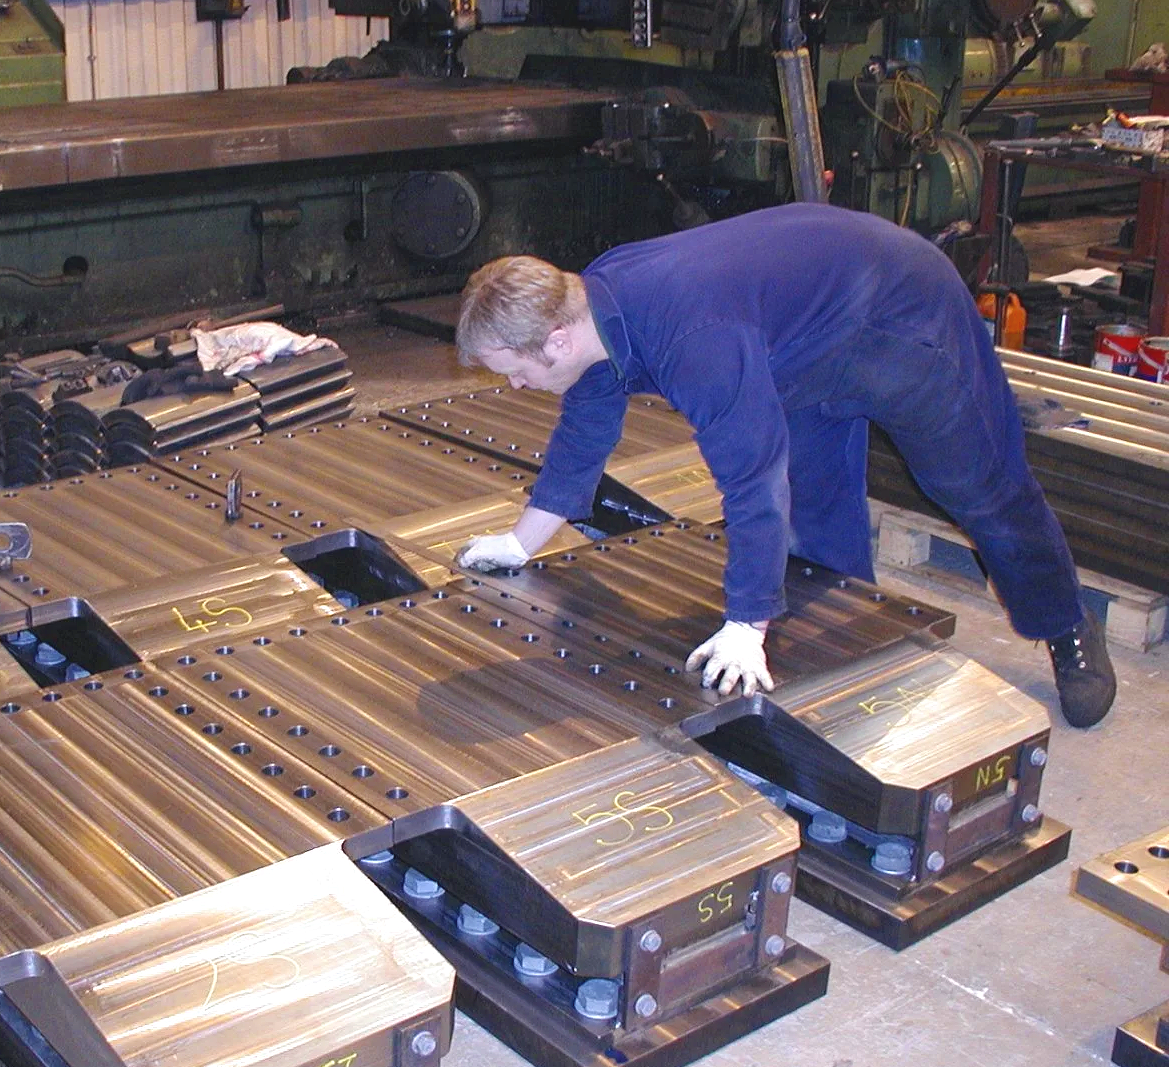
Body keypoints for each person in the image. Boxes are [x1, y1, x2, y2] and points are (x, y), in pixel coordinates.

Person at [453, 203, 1115, 729]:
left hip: (899, 320)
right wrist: (520, 541)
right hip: (799, 346)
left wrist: (746, 621)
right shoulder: (594, 312)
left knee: (978, 488)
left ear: (557, 338)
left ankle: (1065, 623)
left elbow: (751, 479)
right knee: (815, 508)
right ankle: (860, 644)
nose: (512, 387)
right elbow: (583, 433)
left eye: (513, 372)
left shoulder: (691, 338)